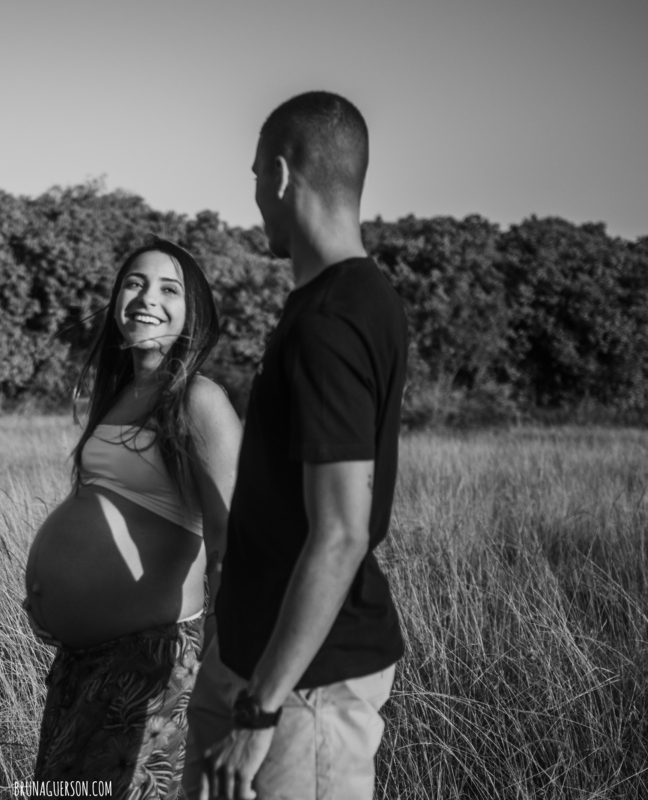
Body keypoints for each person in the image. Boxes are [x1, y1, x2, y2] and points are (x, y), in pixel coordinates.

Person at [187, 91, 408, 800]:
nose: (254, 194)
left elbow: (342, 533)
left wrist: (260, 713)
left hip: (301, 689)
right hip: (262, 662)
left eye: (255, 174)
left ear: (281, 175)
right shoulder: (352, 299)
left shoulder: (331, 321)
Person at [23, 238, 242, 799]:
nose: (147, 298)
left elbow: (230, 545)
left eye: (170, 290)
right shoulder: (119, 396)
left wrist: (221, 680)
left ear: (194, 315)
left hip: (152, 663)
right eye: (135, 283)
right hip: (84, 663)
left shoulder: (199, 400)